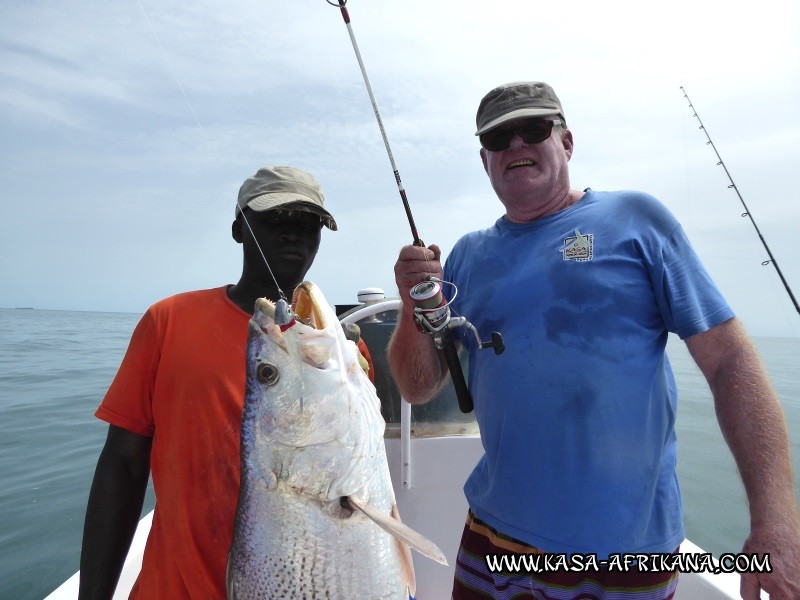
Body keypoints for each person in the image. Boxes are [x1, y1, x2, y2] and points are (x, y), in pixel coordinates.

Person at [387, 82, 800, 599]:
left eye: (533, 129)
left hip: (630, 556)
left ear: (567, 142)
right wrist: (411, 304)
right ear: (484, 158)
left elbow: (730, 360)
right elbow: (417, 387)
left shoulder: (639, 222)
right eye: (499, 137)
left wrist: (778, 523)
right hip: (493, 541)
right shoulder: (468, 257)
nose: (515, 145)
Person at [78, 165, 371, 599]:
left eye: (308, 224)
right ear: (239, 229)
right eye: (275, 220)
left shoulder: (342, 354)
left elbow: (362, 481)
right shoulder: (169, 321)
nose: (294, 234)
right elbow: (122, 465)